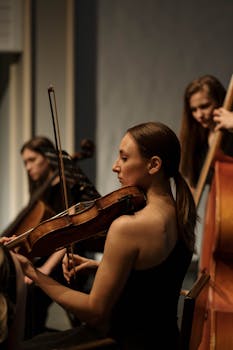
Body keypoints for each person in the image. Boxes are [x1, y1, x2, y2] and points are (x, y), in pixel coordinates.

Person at [13, 121, 197, 349]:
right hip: (164, 339)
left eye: (124, 158)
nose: (115, 166)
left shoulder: (129, 226)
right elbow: (155, 282)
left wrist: (33, 272)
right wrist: (100, 265)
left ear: (154, 165)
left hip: (123, 342)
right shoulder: (183, 214)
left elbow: (95, 312)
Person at [0, 136, 100, 340]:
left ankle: (30, 340)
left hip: (67, 257)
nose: (28, 167)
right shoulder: (40, 192)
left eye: (32, 160)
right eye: (25, 162)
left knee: (30, 295)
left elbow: (72, 234)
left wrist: (44, 270)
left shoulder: (67, 186)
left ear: (49, 158)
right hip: (46, 256)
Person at [179, 74, 233, 192]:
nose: (199, 115)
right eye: (194, 110)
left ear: (219, 101)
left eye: (204, 106)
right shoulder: (199, 143)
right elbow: (193, 186)